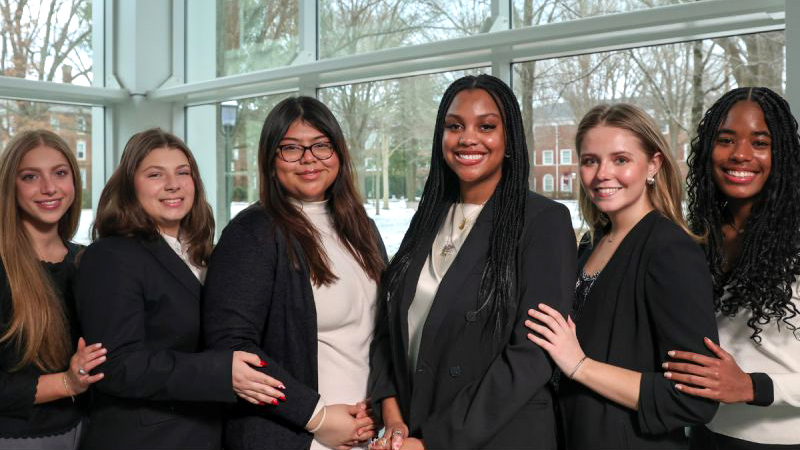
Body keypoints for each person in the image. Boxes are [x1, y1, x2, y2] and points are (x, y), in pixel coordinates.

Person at [368, 74, 576, 450]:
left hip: (498, 437)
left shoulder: (543, 221)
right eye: (454, 126)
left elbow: (532, 356)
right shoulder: (429, 215)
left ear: (509, 138)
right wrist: (393, 416)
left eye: (486, 126)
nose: (468, 138)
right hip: (414, 427)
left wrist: (431, 441)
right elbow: (389, 323)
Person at [525, 104, 719, 449]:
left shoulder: (670, 251)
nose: (602, 173)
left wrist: (580, 365)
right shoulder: (589, 244)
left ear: (654, 165)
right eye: (590, 161)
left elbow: (694, 398)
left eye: (621, 160)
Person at [75, 128, 283, 450]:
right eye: (155, 174)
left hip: (207, 432)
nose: (173, 184)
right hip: (146, 439)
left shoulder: (205, 254)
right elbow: (117, 365)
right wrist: (220, 371)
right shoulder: (111, 257)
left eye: (182, 172)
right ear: (130, 186)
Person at [202, 97, 381, 450]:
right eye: (291, 149)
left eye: (321, 146)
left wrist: (382, 407)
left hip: (366, 435)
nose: (309, 158)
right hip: (297, 437)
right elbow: (232, 348)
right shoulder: (253, 232)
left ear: (339, 153)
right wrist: (317, 417)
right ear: (271, 161)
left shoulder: (361, 227)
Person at [665, 87, 800, 449]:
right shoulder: (697, 237)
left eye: (760, 143)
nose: (740, 154)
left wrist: (753, 386)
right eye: (726, 140)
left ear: (782, 155)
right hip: (703, 433)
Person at [0, 130, 105, 450]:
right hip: (17, 438)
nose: (49, 188)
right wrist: (66, 382)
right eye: (30, 176)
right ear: (9, 187)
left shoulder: (90, 261)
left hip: (89, 432)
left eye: (60, 173)